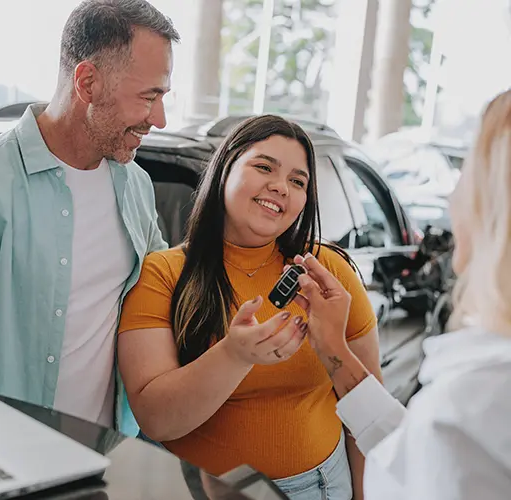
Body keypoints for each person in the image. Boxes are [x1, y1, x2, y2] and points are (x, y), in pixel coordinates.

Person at [0, 0, 180, 436]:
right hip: (4, 457)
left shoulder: (134, 184)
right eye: (148, 97)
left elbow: (163, 293)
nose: (159, 118)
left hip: (105, 458)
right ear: (87, 82)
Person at [117, 114, 383, 500]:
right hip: (193, 490)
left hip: (319, 489)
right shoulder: (164, 273)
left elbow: (366, 408)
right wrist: (234, 355)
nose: (280, 187)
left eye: (297, 181)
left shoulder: (329, 272)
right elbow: (156, 419)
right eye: (263, 167)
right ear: (226, 168)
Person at [303, 89, 511, 498]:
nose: (452, 199)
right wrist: (335, 351)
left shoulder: (469, 407)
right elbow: (413, 458)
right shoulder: (470, 410)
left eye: (467, 174)